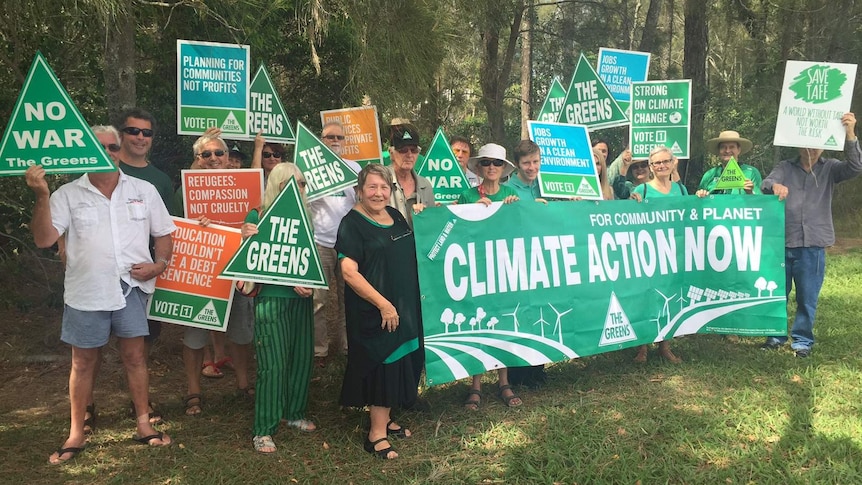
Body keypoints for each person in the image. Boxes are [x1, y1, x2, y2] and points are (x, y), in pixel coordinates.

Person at [26, 125, 175, 464]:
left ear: (120, 150)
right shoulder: (65, 194)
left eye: (111, 147)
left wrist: (159, 264)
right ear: (85, 151)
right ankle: (76, 432)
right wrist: (41, 196)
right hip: (86, 291)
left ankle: (143, 425)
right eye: (98, 146)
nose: (106, 152)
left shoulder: (144, 189)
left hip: (131, 289)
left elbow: (164, 233)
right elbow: (44, 239)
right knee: (82, 362)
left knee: (136, 358)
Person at [336, 164, 424, 459]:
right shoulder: (352, 223)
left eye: (384, 187)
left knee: (401, 363)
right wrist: (383, 304)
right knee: (384, 366)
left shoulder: (396, 215)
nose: (378, 193)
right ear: (359, 191)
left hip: (404, 308)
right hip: (375, 311)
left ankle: (386, 418)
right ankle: (376, 434)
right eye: (371, 187)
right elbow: (349, 272)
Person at [760, 112, 861, 357]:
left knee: (807, 297)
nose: (811, 149)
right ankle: (775, 336)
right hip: (783, 242)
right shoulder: (785, 167)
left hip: (813, 245)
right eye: (806, 144)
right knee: (776, 293)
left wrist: (850, 134)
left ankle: (802, 340)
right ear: (797, 144)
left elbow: (855, 167)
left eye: (816, 145)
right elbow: (767, 182)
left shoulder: (831, 169)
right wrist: (775, 186)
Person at [242, 162, 317, 453]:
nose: (298, 189)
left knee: (301, 358)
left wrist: (310, 283)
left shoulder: (307, 217)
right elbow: (247, 260)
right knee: (272, 364)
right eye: (290, 183)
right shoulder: (257, 214)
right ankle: (263, 429)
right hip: (271, 299)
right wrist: (244, 237)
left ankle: (294, 413)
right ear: (276, 185)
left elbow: (309, 260)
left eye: (301, 183)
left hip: (301, 300)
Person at [178, 134, 255, 415]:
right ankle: (193, 391)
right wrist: (195, 226)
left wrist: (249, 229)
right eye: (206, 155)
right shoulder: (185, 189)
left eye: (219, 153)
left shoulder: (245, 186)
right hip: (201, 270)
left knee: (241, 331)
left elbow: (256, 218)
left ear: (227, 156)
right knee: (195, 335)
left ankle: (244, 383)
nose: (213, 159)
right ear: (197, 159)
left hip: (236, 268)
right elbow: (172, 226)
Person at [457, 143, 523, 408]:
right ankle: (476, 384)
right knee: (478, 322)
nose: (492, 167)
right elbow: (456, 230)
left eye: (497, 163)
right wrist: (472, 211)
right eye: (486, 163)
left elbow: (524, 226)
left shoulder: (512, 194)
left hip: (505, 268)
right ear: (480, 167)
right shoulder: (466, 195)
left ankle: (504, 382)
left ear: (504, 168)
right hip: (476, 269)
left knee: (505, 322)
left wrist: (515, 208)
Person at [310, 121, 361, 364]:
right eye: (330, 137)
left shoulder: (354, 168)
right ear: (321, 140)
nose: (335, 141)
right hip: (320, 242)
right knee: (318, 300)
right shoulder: (309, 169)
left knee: (349, 299)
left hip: (348, 244)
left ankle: (349, 347)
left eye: (340, 137)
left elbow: (361, 202)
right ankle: (319, 350)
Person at [633, 146, 688, 364]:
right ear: (651, 167)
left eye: (665, 161)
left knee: (670, 297)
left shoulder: (681, 190)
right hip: (650, 252)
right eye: (656, 163)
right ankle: (642, 348)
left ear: (673, 163)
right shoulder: (643, 190)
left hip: (674, 252)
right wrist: (633, 202)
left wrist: (700, 197)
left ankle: (665, 346)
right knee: (647, 296)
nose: (661, 166)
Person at [385, 123, 434, 228]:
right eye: (403, 150)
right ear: (391, 152)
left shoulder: (425, 186)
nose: (409, 155)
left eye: (414, 150)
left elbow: (431, 228)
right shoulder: (380, 182)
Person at [696, 130, 763, 196]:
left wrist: (750, 193)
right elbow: (698, 204)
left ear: (738, 150)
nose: (727, 150)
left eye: (732, 147)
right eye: (723, 147)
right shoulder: (709, 175)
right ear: (719, 150)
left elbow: (761, 202)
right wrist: (701, 195)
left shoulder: (751, 172)